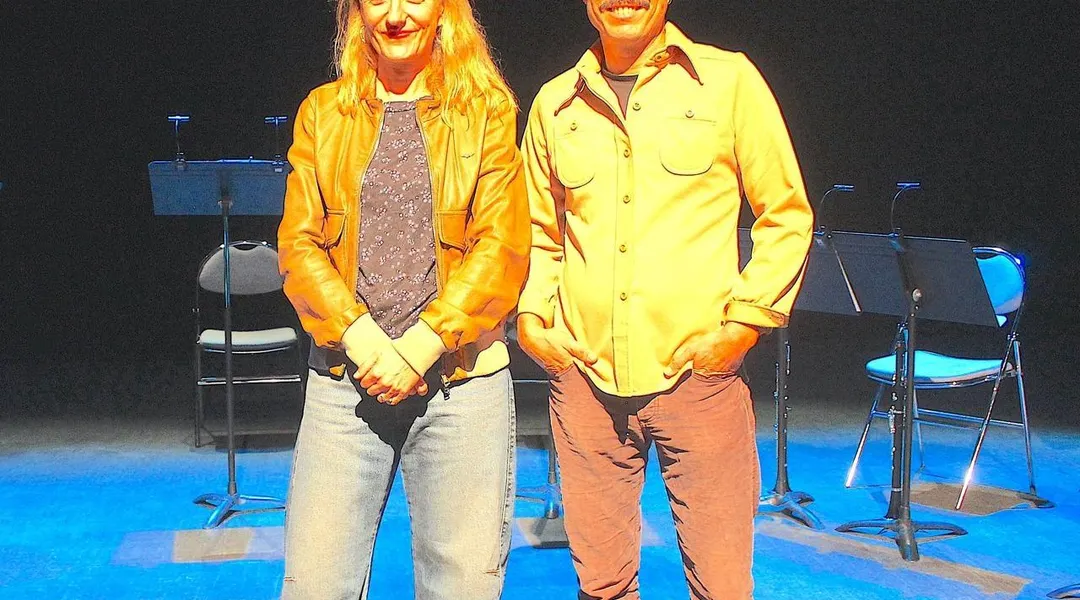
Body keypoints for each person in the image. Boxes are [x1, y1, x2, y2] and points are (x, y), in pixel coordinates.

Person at [516, 1, 814, 598]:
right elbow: (539, 233)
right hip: (585, 380)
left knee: (721, 583)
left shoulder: (728, 81)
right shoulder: (555, 103)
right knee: (601, 586)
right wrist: (531, 320)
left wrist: (741, 327)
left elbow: (785, 215)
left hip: (696, 380)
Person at [276, 0, 529, 598]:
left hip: (461, 387)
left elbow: (502, 246)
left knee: (461, 587)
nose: (395, 15)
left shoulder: (486, 112)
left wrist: (419, 347)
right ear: (356, 12)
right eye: (377, 0)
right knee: (315, 585)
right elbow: (299, 243)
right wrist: (362, 340)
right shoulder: (322, 112)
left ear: (444, 11)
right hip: (344, 384)